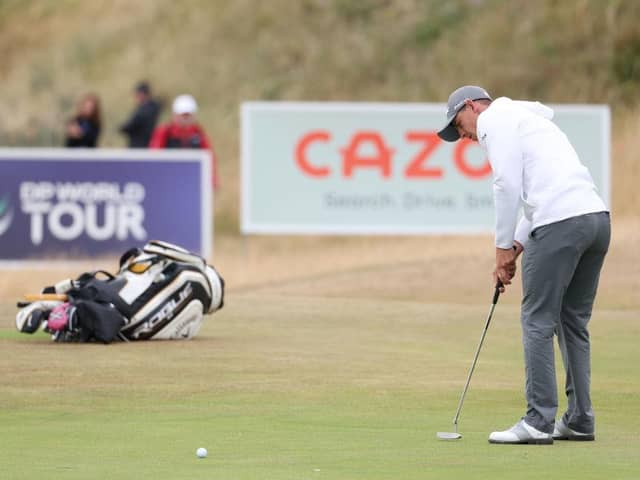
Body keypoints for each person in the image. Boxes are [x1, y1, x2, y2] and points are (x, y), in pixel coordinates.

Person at [437, 86, 610, 445]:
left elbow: (506, 185)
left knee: (537, 320)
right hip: (595, 220)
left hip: (560, 224)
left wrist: (501, 248)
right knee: (571, 322)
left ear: (472, 107)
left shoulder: (493, 121)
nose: (465, 136)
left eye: (460, 124)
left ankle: (538, 421)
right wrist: (516, 245)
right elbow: (539, 193)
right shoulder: (527, 120)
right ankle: (579, 420)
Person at [149, 94, 218, 188]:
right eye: (183, 115)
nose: (185, 119)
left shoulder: (198, 133)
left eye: (188, 115)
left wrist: (212, 180)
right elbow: (154, 156)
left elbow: (209, 156)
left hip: (192, 182)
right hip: (167, 181)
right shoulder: (165, 132)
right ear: (175, 115)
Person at [119, 81, 161, 148]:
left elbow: (132, 124)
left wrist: (122, 128)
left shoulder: (146, 109)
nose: (136, 97)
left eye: (137, 94)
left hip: (140, 146)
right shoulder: (151, 107)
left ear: (142, 94)